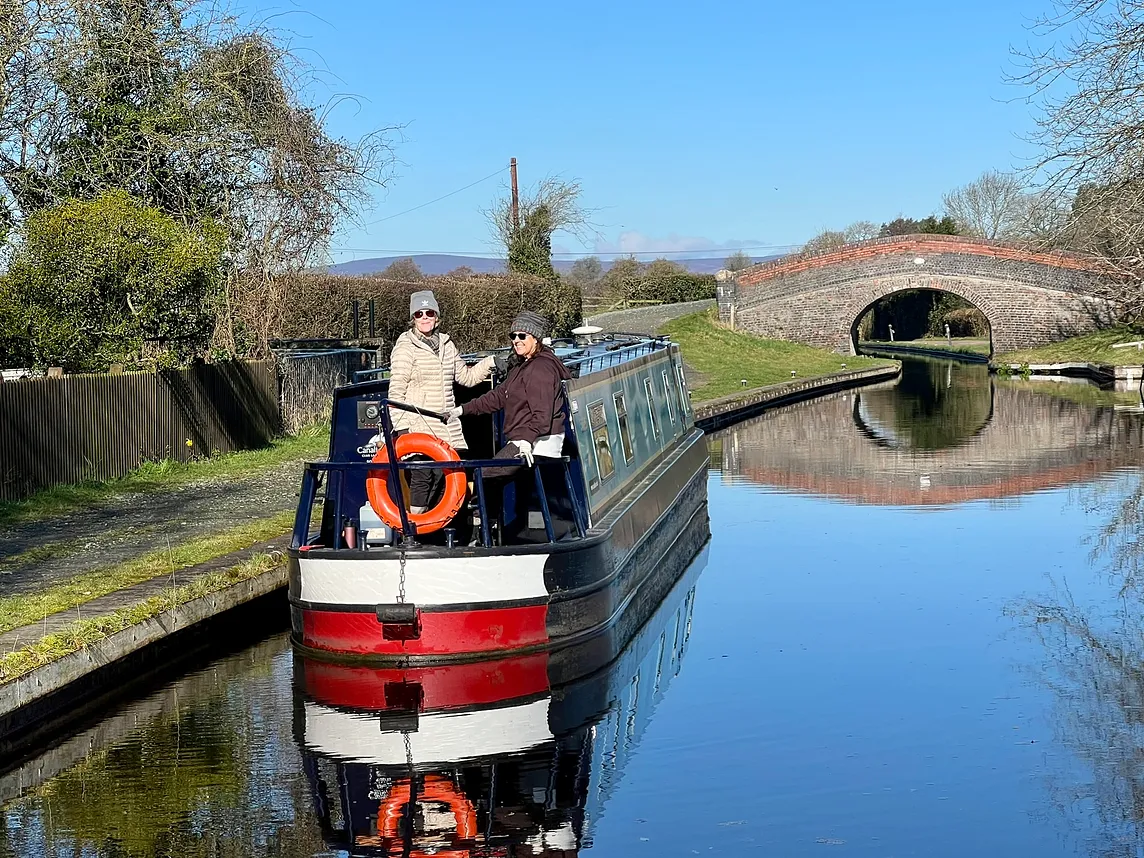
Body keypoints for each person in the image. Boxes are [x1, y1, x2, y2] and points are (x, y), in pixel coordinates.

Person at [387, 290, 495, 513]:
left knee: (447, 478)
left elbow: (467, 378)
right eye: (419, 313)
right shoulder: (405, 348)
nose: (424, 317)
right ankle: (414, 531)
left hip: (446, 427)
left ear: (437, 317)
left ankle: (448, 531)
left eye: (429, 312)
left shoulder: (447, 345)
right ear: (413, 318)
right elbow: (395, 392)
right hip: (418, 425)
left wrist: (491, 362)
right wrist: (402, 428)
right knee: (422, 477)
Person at [449, 310, 571, 476]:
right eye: (513, 336)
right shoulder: (522, 365)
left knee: (485, 476)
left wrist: (527, 440)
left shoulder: (540, 368)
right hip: (525, 438)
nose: (516, 340)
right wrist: (462, 410)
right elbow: (498, 396)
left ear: (535, 339)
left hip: (537, 442)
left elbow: (543, 415)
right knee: (486, 476)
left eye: (522, 336)